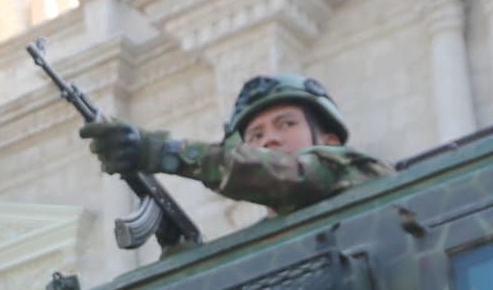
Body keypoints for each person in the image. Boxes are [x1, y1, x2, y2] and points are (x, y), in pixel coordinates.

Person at [81, 74, 389, 221]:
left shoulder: (355, 170)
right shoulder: (263, 244)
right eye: (256, 135)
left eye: (286, 124)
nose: (269, 140)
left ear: (330, 141)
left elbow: (280, 174)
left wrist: (160, 152)